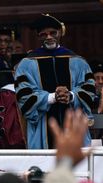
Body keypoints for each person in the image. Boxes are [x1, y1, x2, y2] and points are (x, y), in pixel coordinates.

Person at [14, 14, 95, 149]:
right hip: (42, 127)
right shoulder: (27, 64)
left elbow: (89, 89)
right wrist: (51, 97)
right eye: (43, 34)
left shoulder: (77, 61)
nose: (49, 37)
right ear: (39, 36)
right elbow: (23, 95)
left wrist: (71, 95)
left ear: (60, 33)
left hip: (73, 124)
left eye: (53, 33)